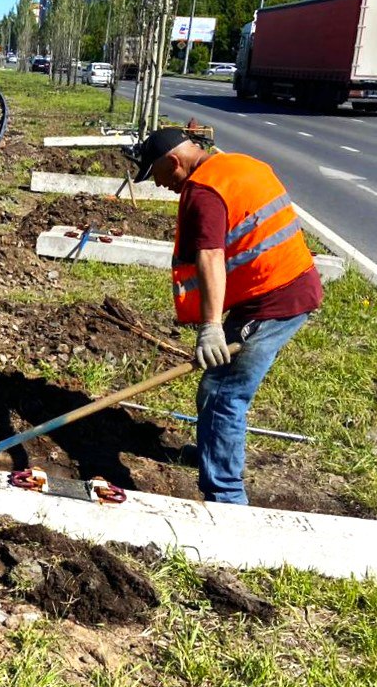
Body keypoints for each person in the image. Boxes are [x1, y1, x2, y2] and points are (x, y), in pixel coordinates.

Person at [135, 128, 322, 505]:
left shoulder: (203, 193)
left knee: (224, 393)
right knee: (216, 388)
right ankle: (212, 456)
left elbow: (211, 257)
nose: (159, 185)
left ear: (174, 161)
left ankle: (226, 497)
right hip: (286, 286)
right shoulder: (238, 164)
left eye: (156, 174)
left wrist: (211, 328)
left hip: (274, 303)